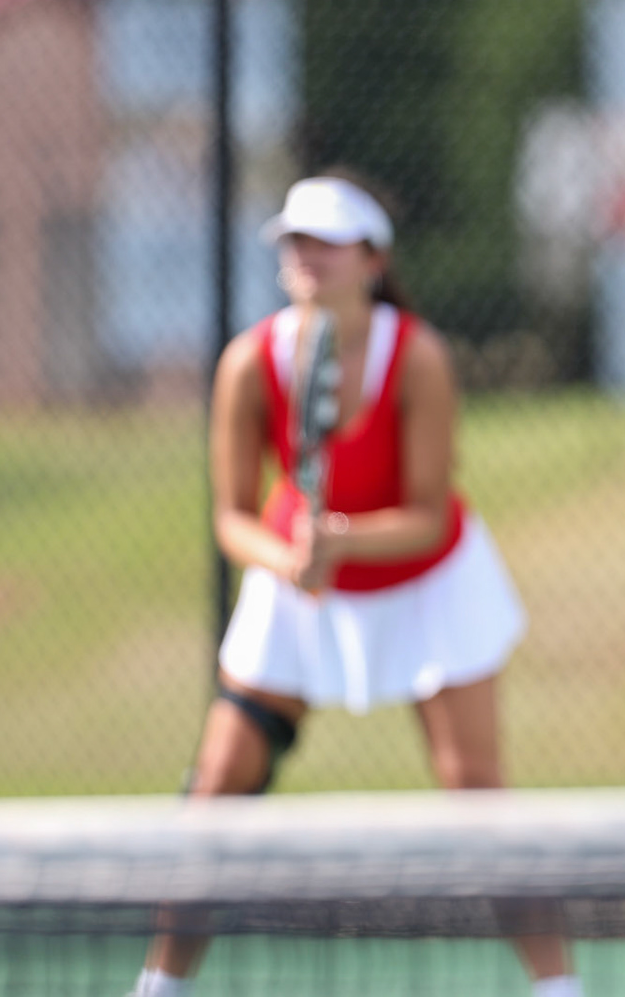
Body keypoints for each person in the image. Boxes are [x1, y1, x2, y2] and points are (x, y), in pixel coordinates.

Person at [131, 172, 580, 997]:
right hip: (298, 595)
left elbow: (427, 511)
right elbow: (233, 518)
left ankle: (559, 991)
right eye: (294, 242)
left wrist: (341, 541)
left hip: (428, 585)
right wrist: (288, 560)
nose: (306, 256)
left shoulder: (421, 359)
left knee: (477, 792)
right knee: (218, 785)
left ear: (372, 259)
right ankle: (158, 988)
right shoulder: (246, 364)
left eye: (326, 241)